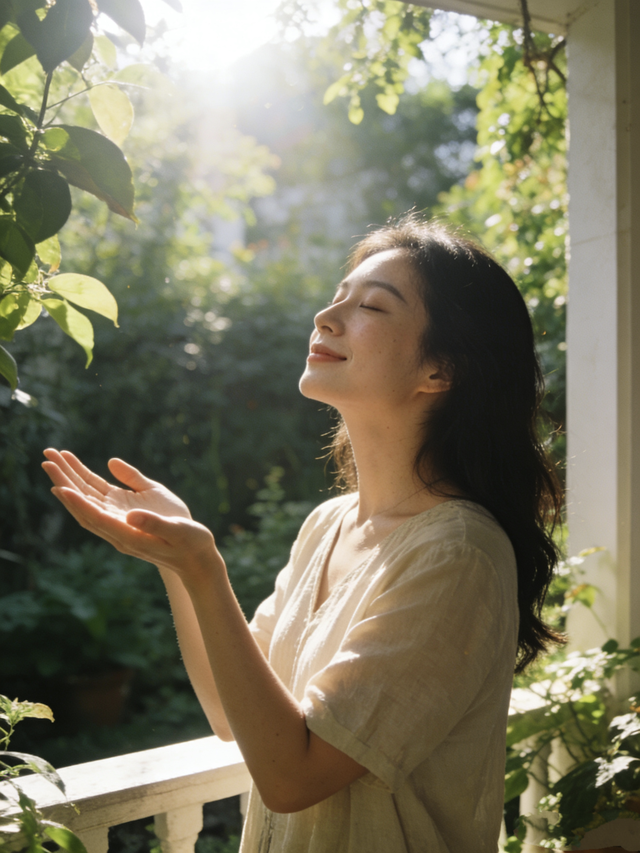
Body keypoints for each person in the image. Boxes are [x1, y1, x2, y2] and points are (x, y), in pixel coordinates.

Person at [42, 216, 563, 853]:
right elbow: (231, 715)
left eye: (370, 305)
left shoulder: (459, 553)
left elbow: (293, 777)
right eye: (338, 295)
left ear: (440, 370)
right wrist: (177, 561)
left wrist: (205, 567)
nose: (326, 316)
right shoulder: (329, 524)